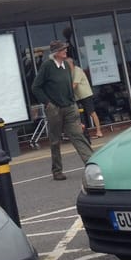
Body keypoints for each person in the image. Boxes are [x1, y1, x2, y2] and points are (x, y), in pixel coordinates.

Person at [31, 39, 93, 180]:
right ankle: (57, 171)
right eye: (63, 49)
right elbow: (35, 87)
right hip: (55, 109)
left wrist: (73, 101)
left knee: (78, 135)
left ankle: (92, 164)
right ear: (56, 52)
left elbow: (68, 85)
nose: (66, 50)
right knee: (55, 141)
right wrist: (47, 103)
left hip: (69, 107)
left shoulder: (66, 64)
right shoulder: (47, 66)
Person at [68, 57, 103, 138]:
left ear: (71, 63)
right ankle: (83, 133)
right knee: (79, 115)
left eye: (66, 64)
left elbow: (74, 84)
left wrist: (65, 91)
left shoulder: (77, 70)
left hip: (85, 95)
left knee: (91, 113)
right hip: (77, 97)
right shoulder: (68, 72)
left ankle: (99, 131)